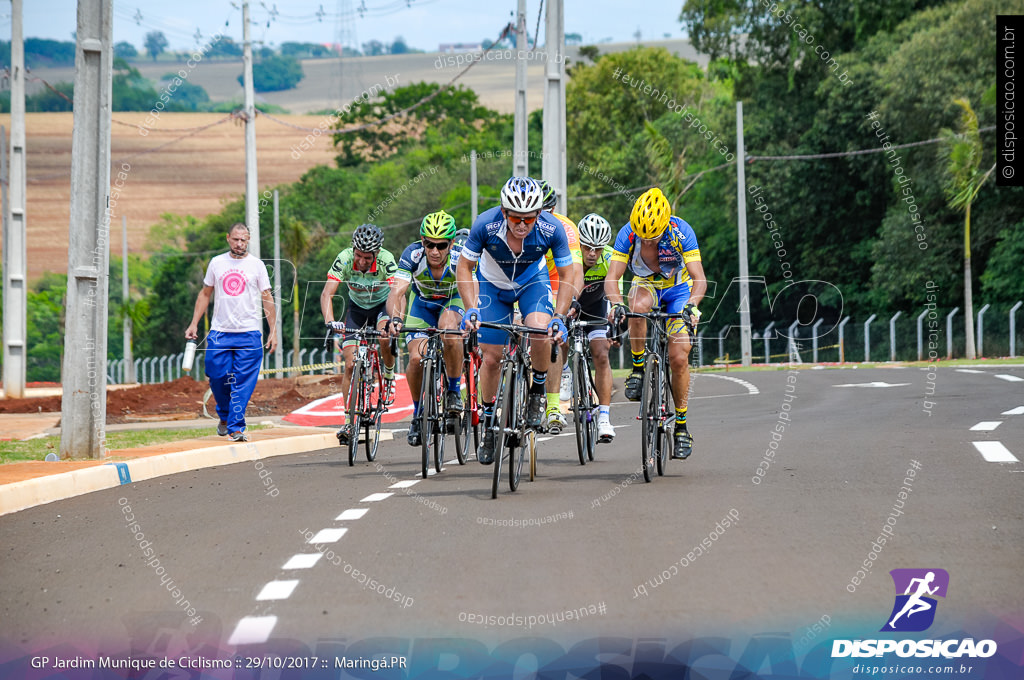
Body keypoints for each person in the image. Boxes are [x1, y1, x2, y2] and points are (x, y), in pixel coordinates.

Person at [457, 176, 573, 465]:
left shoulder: (551, 228)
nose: (522, 225)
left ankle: (537, 392)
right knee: (492, 357)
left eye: (529, 219)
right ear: (504, 211)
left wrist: (559, 315)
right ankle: (487, 424)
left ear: (539, 214)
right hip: (492, 286)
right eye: (516, 218)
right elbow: (464, 266)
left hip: (532, 281)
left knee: (539, 329)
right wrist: (471, 308)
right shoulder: (485, 224)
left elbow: (568, 274)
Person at [604, 188, 706, 460]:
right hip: (646, 284)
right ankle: (638, 367)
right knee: (635, 306)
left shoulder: (681, 231)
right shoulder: (627, 233)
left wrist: (691, 306)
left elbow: (699, 279)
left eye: (654, 238)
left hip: (678, 290)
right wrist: (616, 304)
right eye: (643, 238)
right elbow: (612, 277)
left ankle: (682, 426)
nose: (647, 244)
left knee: (679, 358)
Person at [185, 223, 277, 442]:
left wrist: (273, 331)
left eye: (243, 240)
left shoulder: (257, 265)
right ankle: (225, 416)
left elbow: (267, 298)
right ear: (228, 238)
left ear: (248, 240)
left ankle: (236, 427)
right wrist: (193, 323)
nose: (239, 244)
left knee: (243, 382)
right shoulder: (217, 263)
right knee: (217, 376)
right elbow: (205, 294)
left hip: (249, 333)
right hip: (220, 332)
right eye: (236, 239)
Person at [386, 210, 465, 447]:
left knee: (449, 330)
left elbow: (474, 287)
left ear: (451, 243)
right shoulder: (413, 254)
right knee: (416, 358)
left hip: (452, 301)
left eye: (441, 245)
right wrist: (395, 319)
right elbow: (397, 291)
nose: (434, 251)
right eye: (429, 243)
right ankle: (418, 413)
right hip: (422, 306)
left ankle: (453, 389)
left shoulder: (460, 257)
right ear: (422, 241)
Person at [320, 224, 399, 445]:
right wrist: (330, 322)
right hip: (356, 309)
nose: (362, 261)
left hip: (383, 306)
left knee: (384, 337)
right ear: (353, 250)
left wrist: (393, 321)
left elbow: (397, 292)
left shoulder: (386, 259)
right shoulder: (344, 258)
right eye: (358, 256)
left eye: (367, 257)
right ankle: (348, 419)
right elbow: (327, 293)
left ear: (376, 254)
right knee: (350, 365)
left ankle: (389, 375)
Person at [537, 180, 583, 434]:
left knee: (556, 329)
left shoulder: (565, 228)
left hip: (556, 280)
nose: (541, 218)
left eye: (547, 212)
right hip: (530, 278)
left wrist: (571, 300)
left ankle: (556, 393)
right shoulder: (519, 225)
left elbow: (575, 271)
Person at [571, 213, 617, 442]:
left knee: (600, 353)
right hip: (570, 306)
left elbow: (612, 290)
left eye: (597, 249)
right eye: (587, 247)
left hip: (596, 308)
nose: (592, 253)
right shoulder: (569, 254)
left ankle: (604, 418)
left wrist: (614, 319)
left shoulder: (609, 258)